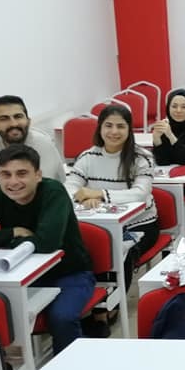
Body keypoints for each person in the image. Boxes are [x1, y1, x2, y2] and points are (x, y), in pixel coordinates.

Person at [0, 144, 94, 356]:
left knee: (62, 318)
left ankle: (70, 368)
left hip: (69, 274)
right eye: (6, 174)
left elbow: (47, 243)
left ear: (38, 175)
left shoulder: (53, 192)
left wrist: (4, 242)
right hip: (18, 276)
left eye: (22, 173)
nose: (13, 182)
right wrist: (11, 233)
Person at [66, 105, 158, 292]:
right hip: (100, 223)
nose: (114, 132)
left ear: (129, 129)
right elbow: (69, 187)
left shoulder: (142, 158)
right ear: (100, 128)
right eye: (108, 125)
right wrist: (82, 198)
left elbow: (139, 194)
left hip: (138, 224)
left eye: (121, 126)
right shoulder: (87, 156)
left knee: (120, 251)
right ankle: (93, 297)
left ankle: (114, 303)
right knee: (83, 250)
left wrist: (99, 194)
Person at [0, 95, 65, 201]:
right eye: (4, 119)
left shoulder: (43, 144)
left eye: (18, 116)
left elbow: (47, 188)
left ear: (28, 121)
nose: (13, 124)